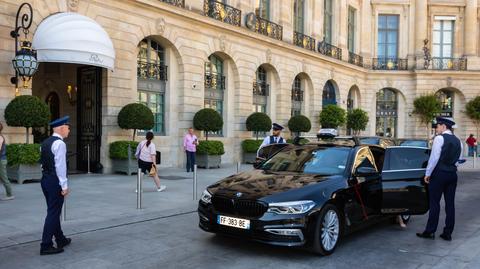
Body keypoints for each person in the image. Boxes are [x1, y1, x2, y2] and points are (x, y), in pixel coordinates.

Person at [416, 117, 462, 241]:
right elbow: (459, 160)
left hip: (439, 174)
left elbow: (434, 158)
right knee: (450, 204)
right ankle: (448, 233)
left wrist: (428, 173)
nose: (436, 128)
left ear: (443, 126)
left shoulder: (439, 138)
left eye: (437, 126)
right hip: (452, 174)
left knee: (434, 203)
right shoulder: (458, 141)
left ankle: (430, 231)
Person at [40, 116, 72, 255]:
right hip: (55, 181)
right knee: (53, 213)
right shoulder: (60, 144)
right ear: (62, 128)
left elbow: (42, 163)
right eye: (68, 127)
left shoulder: (45, 142)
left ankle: (60, 238)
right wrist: (64, 186)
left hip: (46, 180)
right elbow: (60, 167)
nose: (69, 130)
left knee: (54, 210)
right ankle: (46, 245)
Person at [0, 123, 14, 201]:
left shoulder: (0, 137)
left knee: (4, 178)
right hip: (1, 160)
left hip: (1, 160)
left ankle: (10, 194)